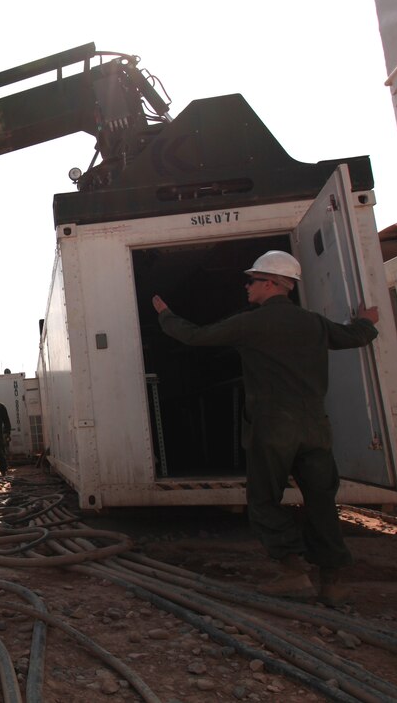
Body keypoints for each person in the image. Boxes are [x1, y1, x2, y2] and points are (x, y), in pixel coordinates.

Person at [152, 250, 379, 606]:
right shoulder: (314, 323)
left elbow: (196, 337)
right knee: (321, 502)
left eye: (252, 280)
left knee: (264, 499)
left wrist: (165, 315)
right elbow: (354, 336)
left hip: (274, 426)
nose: (246, 286)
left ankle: (292, 572)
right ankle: (332, 583)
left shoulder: (251, 323)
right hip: (316, 427)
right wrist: (367, 321)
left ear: (271, 284)